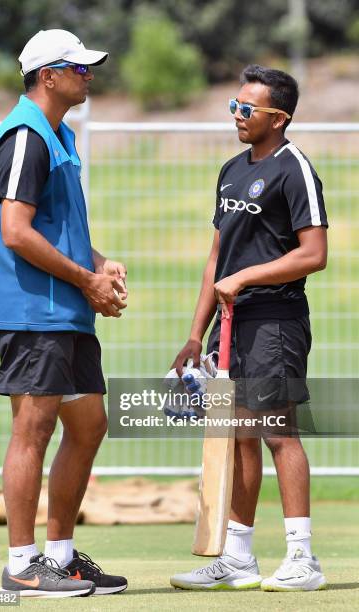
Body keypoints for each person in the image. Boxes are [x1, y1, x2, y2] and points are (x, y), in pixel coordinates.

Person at [0, 29, 128, 598]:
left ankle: (59, 557)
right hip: (33, 307)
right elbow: (15, 231)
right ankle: (21, 563)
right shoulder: (26, 136)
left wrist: (100, 265)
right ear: (49, 76)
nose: (89, 76)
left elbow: (55, 227)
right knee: (32, 428)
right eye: (79, 68)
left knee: (89, 426)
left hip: (64, 308)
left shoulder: (59, 134)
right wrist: (87, 280)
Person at [170, 65, 328, 592]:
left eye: (246, 109)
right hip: (229, 326)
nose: (236, 115)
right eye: (234, 106)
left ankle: (302, 559)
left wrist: (248, 277)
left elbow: (315, 253)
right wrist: (195, 335)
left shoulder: (294, 169)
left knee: (279, 433)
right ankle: (237, 557)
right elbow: (217, 259)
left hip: (275, 322)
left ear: (278, 118)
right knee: (237, 437)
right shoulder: (231, 170)